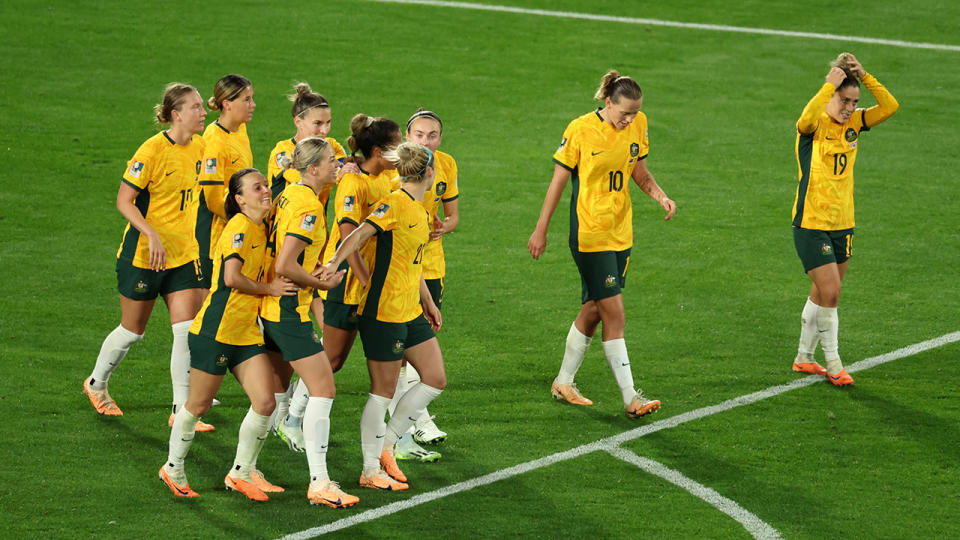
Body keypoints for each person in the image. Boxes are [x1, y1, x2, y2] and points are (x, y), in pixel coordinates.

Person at [527, 70, 676, 418]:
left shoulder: (638, 125)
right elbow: (558, 181)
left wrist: (660, 196)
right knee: (614, 312)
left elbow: (638, 170)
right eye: (624, 113)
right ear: (608, 102)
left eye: (635, 114)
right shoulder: (580, 129)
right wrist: (541, 228)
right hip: (589, 234)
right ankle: (630, 398)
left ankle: (564, 382)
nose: (629, 120)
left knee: (595, 309)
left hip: (621, 232)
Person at [159, 168, 299, 501]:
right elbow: (232, 277)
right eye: (257, 188)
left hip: (246, 333)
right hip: (216, 332)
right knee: (198, 405)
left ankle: (242, 471)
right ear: (239, 199)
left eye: (266, 185)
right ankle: (173, 468)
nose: (266, 191)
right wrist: (270, 290)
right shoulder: (239, 227)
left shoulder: (261, 227)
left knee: (265, 402)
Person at [83, 82, 214, 431]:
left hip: (183, 257)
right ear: (176, 114)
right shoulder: (152, 151)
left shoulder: (200, 146)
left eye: (203, 106)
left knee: (186, 332)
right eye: (196, 107)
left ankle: (181, 411)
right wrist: (151, 233)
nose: (203, 113)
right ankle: (96, 384)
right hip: (143, 257)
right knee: (132, 331)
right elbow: (124, 200)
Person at [320, 141, 445, 491]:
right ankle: (370, 468)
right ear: (429, 173)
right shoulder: (393, 203)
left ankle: (387, 446)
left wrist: (428, 303)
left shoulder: (420, 209)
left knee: (435, 378)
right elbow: (357, 235)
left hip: (411, 309)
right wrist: (332, 263)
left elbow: (413, 261)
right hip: (383, 311)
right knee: (382, 391)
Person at [260, 137, 358, 508]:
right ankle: (319, 481)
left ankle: (243, 469)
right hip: (288, 312)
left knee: (266, 398)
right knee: (323, 389)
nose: (339, 164)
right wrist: (321, 283)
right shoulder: (309, 208)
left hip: (274, 309)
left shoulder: (289, 194)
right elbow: (285, 264)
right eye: (332, 160)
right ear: (313, 168)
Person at [790, 53, 898, 386]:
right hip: (811, 223)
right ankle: (834, 363)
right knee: (832, 292)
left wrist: (865, 77)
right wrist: (827, 86)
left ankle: (804, 358)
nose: (850, 108)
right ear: (832, 94)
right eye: (844, 100)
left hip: (843, 223)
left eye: (854, 102)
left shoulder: (855, 124)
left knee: (823, 293)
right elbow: (805, 117)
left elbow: (890, 106)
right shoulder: (813, 127)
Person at [266, 82, 347, 433]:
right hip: (295, 264)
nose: (326, 132)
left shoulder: (328, 152)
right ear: (299, 121)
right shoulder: (285, 157)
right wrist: (318, 279)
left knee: (326, 351)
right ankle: (290, 420)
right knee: (322, 374)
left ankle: (283, 417)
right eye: (318, 125)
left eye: (328, 124)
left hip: (312, 255)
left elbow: (346, 168)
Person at [388, 109, 460, 462]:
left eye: (432, 135)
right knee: (400, 351)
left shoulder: (446, 165)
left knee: (421, 341)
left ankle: (410, 422)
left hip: (431, 265)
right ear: (407, 134)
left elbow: (454, 216)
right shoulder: (396, 168)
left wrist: (443, 227)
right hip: (403, 268)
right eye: (419, 134)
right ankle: (414, 422)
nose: (426, 141)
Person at [319, 114, 401, 373]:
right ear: (378, 151)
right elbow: (348, 237)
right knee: (330, 361)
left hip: (371, 278)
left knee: (336, 361)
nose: (402, 152)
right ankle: (291, 411)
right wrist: (368, 282)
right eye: (397, 147)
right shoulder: (353, 184)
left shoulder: (385, 177)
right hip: (347, 281)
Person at [197, 74, 255, 293]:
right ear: (227, 104)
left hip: (234, 228)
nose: (253, 105)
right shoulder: (215, 141)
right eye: (246, 100)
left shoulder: (239, 128)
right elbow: (212, 202)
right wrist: (246, 222)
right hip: (213, 236)